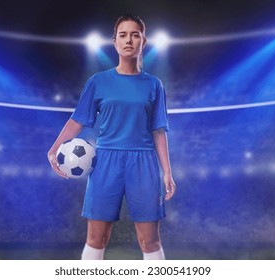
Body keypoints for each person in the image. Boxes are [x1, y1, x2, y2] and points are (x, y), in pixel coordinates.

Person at [47, 14, 176, 260]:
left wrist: (167, 171)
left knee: (150, 240)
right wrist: (54, 149)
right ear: (114, 42)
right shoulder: (98, 82)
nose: (129, 40)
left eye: (135, 34)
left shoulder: (154, 85)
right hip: (105, 160)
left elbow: (159, 130)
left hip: (144, 162)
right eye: (123, 35)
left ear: (143, 41)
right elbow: (78, 120)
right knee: (96, 239)